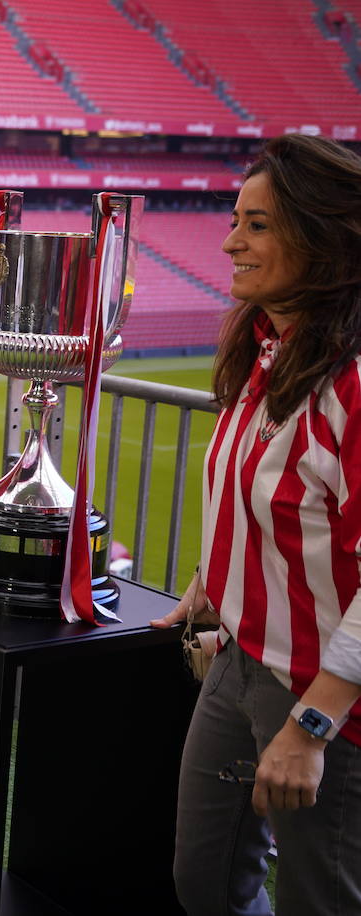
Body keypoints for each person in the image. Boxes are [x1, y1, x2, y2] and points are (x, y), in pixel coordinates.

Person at [151, 133, 361, 915]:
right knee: (204, 881)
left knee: (321, 898)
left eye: (260, 224)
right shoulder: (270, 348)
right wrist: (219, 579)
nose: (231, 239)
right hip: (241, 660)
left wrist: (310, 726)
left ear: (327, 233)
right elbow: (263, 497)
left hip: (325, 696)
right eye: (236, 218)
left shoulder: (353, 376)